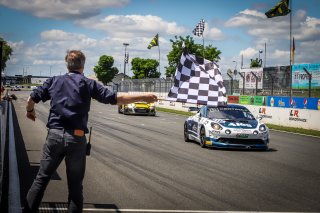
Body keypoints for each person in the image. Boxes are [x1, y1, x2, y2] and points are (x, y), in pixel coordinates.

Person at [23, 50, 157, 212]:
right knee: (75, 188)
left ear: (67, 64)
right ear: (83, 65)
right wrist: (143, 97)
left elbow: (31, 98)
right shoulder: (88, 83)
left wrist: (30, 111)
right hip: (76, 139)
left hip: (55, 136)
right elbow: (116, 99)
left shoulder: (54, 81)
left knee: (41, 180)